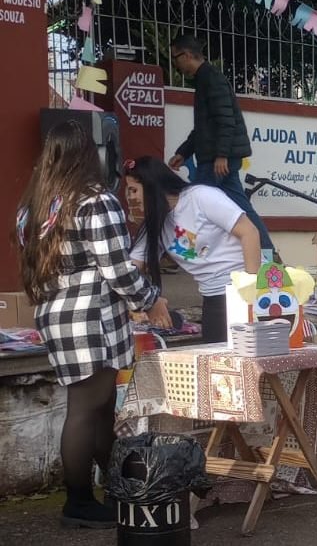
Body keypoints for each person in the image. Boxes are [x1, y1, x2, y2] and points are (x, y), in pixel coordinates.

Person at [13, 121, 171, 528]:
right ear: (90, 154)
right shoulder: (93, 201)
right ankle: (79, 501)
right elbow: (117, 269)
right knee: (85, 409)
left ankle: (118, 489)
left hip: (57, 314)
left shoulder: (36, 204)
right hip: (89, 319)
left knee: (99, 408)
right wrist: (152, 300)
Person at [125, 156, 263, 343]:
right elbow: (131, 268)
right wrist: (149, 300)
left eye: (134, 190)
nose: (130, 197)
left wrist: (250, 291)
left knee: (257, 360)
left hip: (248, 291)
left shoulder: (200, 197)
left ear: (151, 185)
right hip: (213, 298)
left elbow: (249, 232)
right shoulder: (155, 224)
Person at [167, 34, 274, 254]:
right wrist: (183, 153)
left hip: (218, 160)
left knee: (192, 199)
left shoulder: (211, 79)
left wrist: (222, 155)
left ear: (186, 55)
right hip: (214, 158)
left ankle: (183, 251)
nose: (175, 64)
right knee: (240, 206)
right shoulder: (205, 79)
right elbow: (204, 129)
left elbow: (226, 121)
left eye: (175, 58)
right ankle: (267, 254)